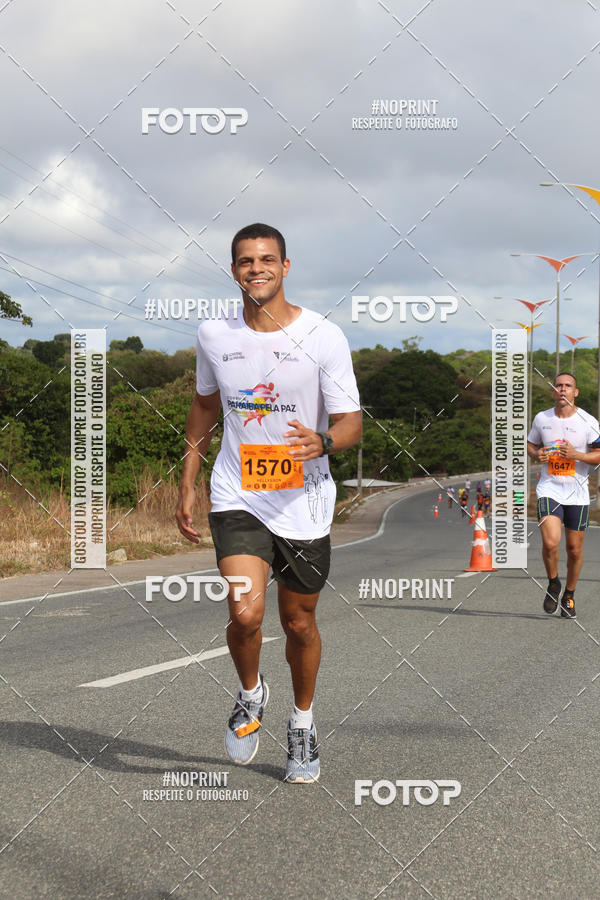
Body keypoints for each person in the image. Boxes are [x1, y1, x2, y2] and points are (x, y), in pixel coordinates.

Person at [175, 223, 362, 782]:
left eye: (267, 259)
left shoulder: (324, 337)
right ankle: (251, 693)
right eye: (245, 261)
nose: (256, 268)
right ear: (233, 270)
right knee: (245, 610)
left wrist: (324, 441)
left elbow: (350, 421)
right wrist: (188, 479)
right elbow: (205, 407)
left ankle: (302, 723)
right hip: (238, 493)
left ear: (286, 265)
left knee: (299, 622)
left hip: (303, 499)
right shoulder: (214, 335)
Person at [527, 372, 600, 618]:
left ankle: (569, 594)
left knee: (574, 549)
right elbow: (530, 444)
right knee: (550, 542)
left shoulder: (588, 421)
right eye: (558, 385)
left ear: (575, 392)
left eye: (568, 386)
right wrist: (536, 455)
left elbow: (598, 454)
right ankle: (553, 583)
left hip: (577, 493)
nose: (562, 389)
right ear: (553, 391)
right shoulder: (542, 418)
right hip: (549, 488)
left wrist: (576, 455)